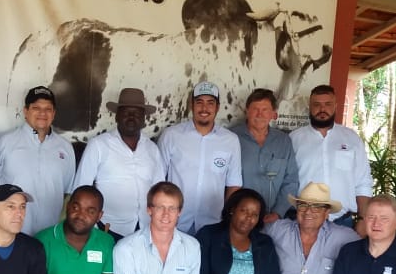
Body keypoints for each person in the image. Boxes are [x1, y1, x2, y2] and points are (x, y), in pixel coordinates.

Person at [75, 88, 165, 237]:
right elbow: (80, 189)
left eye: (136, 114)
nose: (131, 117)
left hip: (145, 229)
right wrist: (94, 229)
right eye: (126, 113)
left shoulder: (152, 149)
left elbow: (160, 191)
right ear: (116, 116)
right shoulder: (98, 145)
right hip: (108, 229)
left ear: (144, 119)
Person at [158, 82, 242, 234]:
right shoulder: (171, 135)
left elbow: (234, 185)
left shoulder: (231, 140)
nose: (204, 108)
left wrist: (227, 219)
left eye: (210, 103)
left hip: (213, 223)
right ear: (192, 105)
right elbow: (157, 179)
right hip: (175, 222)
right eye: (199, 102)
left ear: (217, 107)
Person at [290, 85, 373, 233]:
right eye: (317, 104)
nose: (322, 109)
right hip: (304, 221)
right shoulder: (294, 139)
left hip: (343, 223)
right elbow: (287, 181)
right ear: (309, 107)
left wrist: (362, 220)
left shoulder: (352, 138)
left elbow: (363, 183)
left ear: (335, 106)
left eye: (327, 104)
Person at [0, 86, 76, 235]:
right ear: (25, 111)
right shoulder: (5, 143)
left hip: (49, 235)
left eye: (48, 109)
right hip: (12, 233)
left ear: (54, 113)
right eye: (36, 108)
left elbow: (66, 192)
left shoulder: (65, 148)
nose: (42, 113)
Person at [230, 89, 299, 223]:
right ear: (247, 111)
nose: (259, 114)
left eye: (265, 109)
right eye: (255, 109)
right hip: (239, 220)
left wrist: (277, 212)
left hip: (272, 220)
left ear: (274, 114)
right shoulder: (231, 137)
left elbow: (291, 181)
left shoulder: (284, 141)